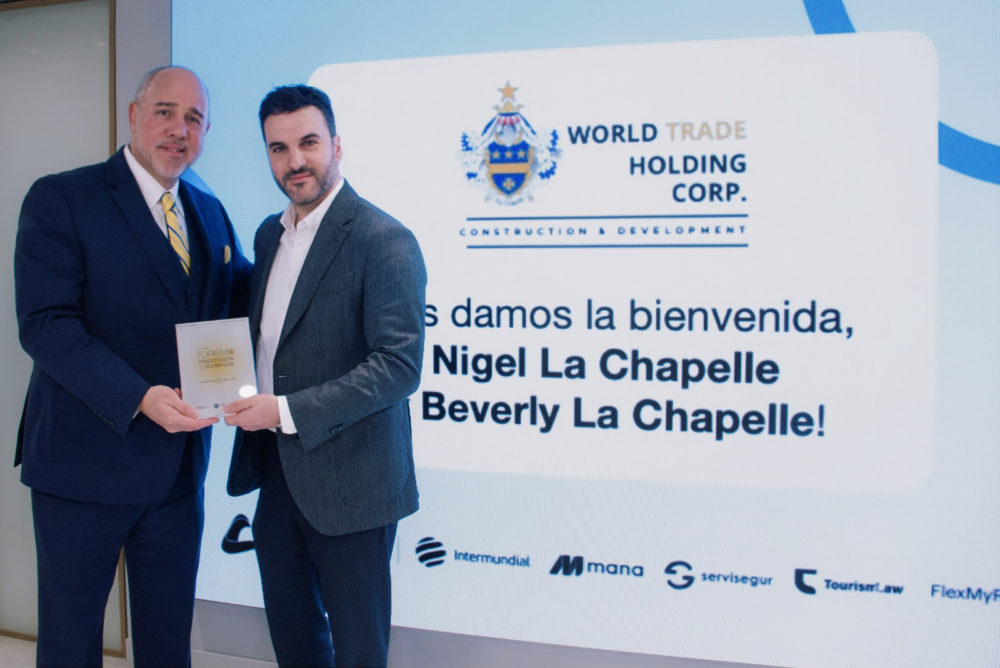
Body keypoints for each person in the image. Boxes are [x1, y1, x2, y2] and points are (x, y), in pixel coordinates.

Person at [14, 66, 251, 667]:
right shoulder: (63, 198)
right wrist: (140, 396)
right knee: (71, 645)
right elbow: (46, 324)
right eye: (166, 112)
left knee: (167, 645)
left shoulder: (208, 210)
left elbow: (242, 298)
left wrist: (307, 247)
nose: (179, 130)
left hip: (177, 475)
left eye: (194, 119)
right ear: (134, 115)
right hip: (82, 468)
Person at [223, 84, 426, 668]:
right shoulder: (268, 235)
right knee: (294, 642)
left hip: (354, 484)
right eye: (278, 148)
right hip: (276, 474)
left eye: (308, 143)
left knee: (359, 650)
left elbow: (398, 366)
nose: (295, 161)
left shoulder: (383, 239)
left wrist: (286, 410)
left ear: (336, 145)